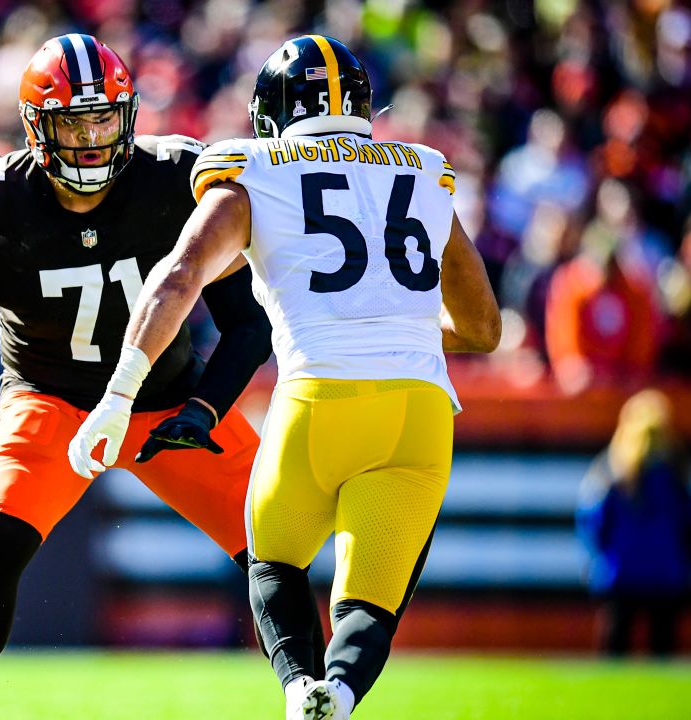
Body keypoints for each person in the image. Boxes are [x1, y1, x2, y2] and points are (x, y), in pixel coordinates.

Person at [70, 35, 500, 720]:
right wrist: (392, 325)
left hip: (320, 394)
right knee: (370, 602)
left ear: (269, 112)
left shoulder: (255, 166)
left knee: (274, 562)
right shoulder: (422, 168)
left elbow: (180, 276)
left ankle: (301, 686)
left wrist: (121, 391)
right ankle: (342, 694)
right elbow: (482, 329)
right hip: (420, 410)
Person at [0, 34, 282, 720]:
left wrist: (207, 408)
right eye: (73, 121)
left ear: (128, 115)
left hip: (163, 400)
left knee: (275, 548)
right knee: (2, 539)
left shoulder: (177, 178)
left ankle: (312, 691)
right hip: (50, 400)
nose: (92, 139)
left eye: (103, 118)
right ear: (39, 125)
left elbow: (249, 324)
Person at [576, 389, 691, 657]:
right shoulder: (678, 474)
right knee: (663, 650)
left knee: (615, 649)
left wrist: (600, 560)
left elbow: (593, 522)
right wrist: (686, 563)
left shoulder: (611, 473)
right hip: (668, 575)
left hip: (621, 574)